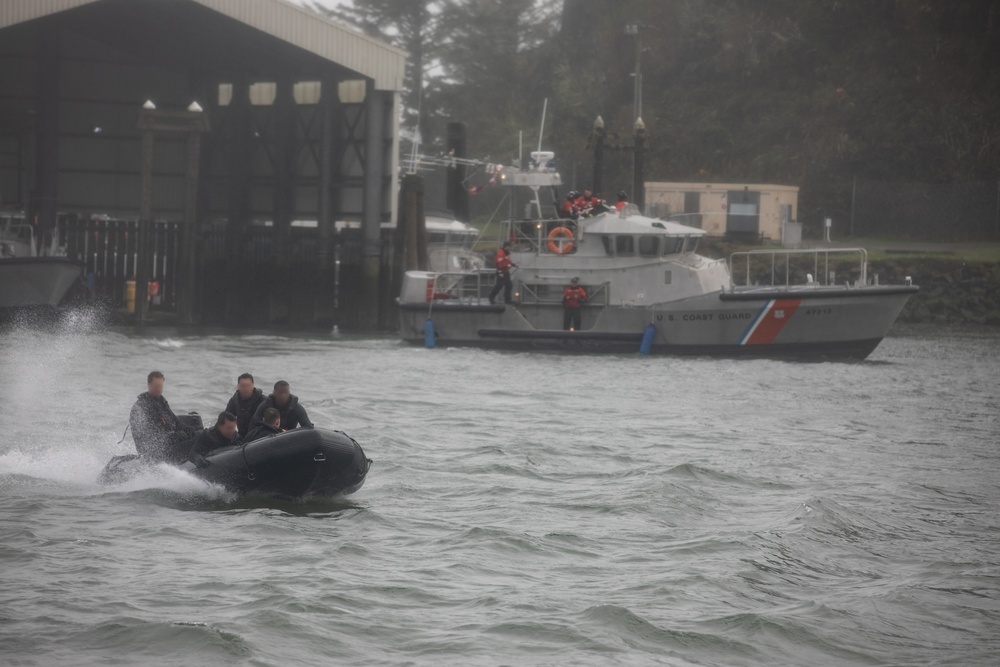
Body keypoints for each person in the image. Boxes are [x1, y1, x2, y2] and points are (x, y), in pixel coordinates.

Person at [129, 371, 198, 462]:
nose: (159, 389)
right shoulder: (141, 406)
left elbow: (176, 422)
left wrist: (192, 431)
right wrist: (172, 436)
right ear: (149, 385)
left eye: (161, 386)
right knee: (182, 436)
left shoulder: (161, 401)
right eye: (156, 386)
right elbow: (148, 435)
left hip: (167, 441)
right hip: (153, 451)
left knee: (195, 433)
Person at [225, 372, 265, 437]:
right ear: (238, 386)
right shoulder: (235, 400)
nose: (246, 389)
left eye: (248, 385)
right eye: (243, 386)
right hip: (242, 436)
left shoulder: (263, 401)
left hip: (259, 436)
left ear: (253, 386)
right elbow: (226, 418)